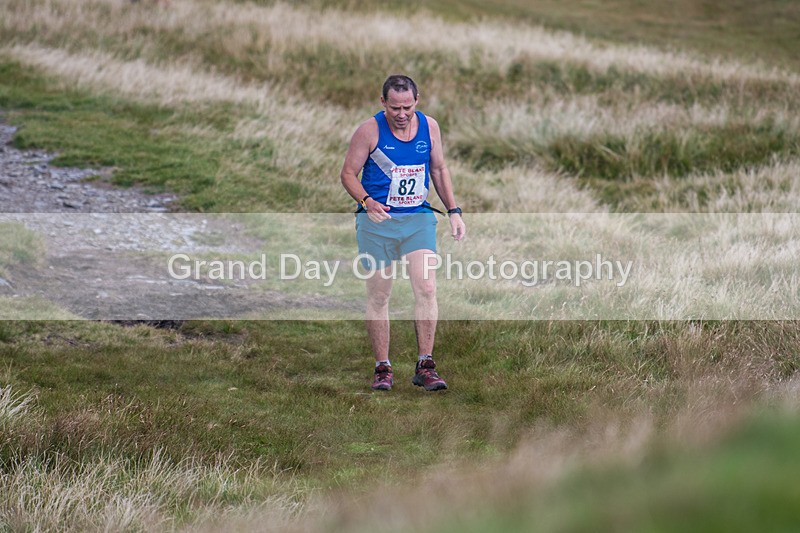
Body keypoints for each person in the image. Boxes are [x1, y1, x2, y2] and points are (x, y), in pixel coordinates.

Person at [340, 74, 466, 392]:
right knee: (380, 294)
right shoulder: (369, 131)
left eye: (407, 107)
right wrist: (366, 202)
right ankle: (383, 368)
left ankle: (425, 365)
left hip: (417, 220)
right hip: (377, 224)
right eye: (394, 107)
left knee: (426, 287)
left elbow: (438, 169)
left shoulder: (429, 127)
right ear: (383, 103)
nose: (401, 114)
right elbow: (348, 174)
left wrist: (453, 211)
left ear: (416, 101)